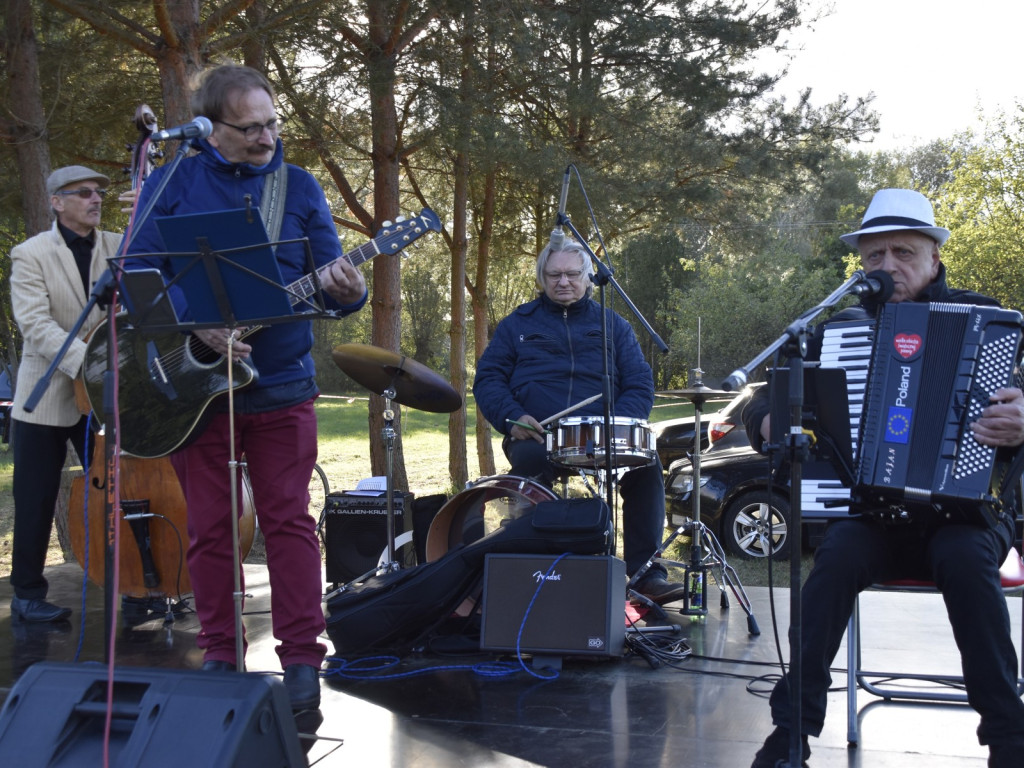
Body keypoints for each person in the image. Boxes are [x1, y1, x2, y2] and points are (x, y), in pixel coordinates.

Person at [744, 188, 1024, 768]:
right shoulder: (840, 329)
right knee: (831, 566)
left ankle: (1009, 738)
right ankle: (791, 735)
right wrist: (767, 420)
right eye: (875, 256)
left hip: (966, 515)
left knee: (968, 563)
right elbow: (767, 399)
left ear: (934, 260)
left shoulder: (988, 321)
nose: (888, 266)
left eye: (904, 252)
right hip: (875, 517)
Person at [123, 64, 367, 711]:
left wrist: (350, 291)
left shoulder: (300, 185)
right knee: (207, 525)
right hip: (194, 385)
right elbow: (138, 271)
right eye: (250, 127)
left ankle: (302, 662)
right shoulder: (174, 178)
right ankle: (221, 652)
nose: (266, 137)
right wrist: (196, 327)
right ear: (211, 130)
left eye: (272, 123)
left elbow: (332, 275)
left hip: (283, 381)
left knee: (288, 523)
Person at [473, 238, 685, 605]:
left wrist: (618, 423)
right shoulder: (516, 325)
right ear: (542, 278)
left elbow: (639, 381)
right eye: (554, 274)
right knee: (530, 462)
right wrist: (511, 418)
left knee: (646, 465)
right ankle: (536, 570)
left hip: (603, 432)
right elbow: (488, 379)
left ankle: (646, 573)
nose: (563, 281)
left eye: (572, 274)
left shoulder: (613, 324)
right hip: (538, 433)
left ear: (589, 277)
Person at [9, 166, 122, 623]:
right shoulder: (30, 254)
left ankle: (138, 584)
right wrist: (88, 363)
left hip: (111, 392)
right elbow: (34, 325)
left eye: (99, 193)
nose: (95, 199)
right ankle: (28, 595)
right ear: (56, 201)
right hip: (48, 395)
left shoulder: (119, 245)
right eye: (83, 193)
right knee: (34, 497)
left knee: (122, 492)